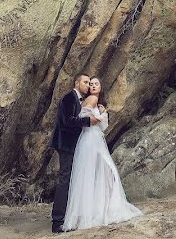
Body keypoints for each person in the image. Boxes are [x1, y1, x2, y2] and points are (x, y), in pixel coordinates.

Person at [61, 77, 142, 232]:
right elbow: (83, 119)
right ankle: (100, 211)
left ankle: (99, 209)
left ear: (101, 86)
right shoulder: (91, 99)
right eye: (90, 84)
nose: (92, 85)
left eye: (96, 83)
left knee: (99, 174)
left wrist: (103, 112)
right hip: (91, 140)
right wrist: (100, 116)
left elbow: (102, 127)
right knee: (105, 172)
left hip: (95, 139)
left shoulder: (96, 102)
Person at [50, 73, 99, 233]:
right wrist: (87, 121)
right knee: (65, 180)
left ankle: (68, 217)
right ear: (77, 83)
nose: (87, 85)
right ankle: (57, 222)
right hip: (66, 145)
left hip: (73, 145)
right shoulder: (69, 98)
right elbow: (67, 121)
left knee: (72, 180)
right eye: (85, 82)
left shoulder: (80, 99)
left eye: (89, 82)